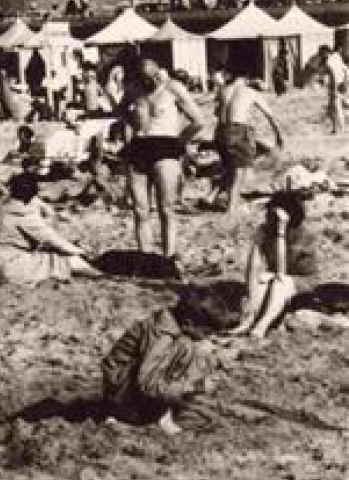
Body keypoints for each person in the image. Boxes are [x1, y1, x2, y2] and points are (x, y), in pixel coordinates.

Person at [100, 285, 237, 434]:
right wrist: (195, 387)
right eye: (206, 332)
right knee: (184, 347)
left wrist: (212, 365)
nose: (208, 337)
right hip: (123, 393)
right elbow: (147, 384)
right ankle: (133, 418)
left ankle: (160, 413)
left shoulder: (175, 327)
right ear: (189, 323)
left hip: (135, 387)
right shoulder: (162, 336)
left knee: (188, 349)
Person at [121, 56, 203, 258]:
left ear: (159, 72)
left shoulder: (173, 88)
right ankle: (146, 258)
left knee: (166, 208)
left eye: (155, 76)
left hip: (166, 146)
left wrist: (179, 142)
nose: (152, 82)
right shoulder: (134, 90)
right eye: (146, 78)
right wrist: (135, 124)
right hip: (140, 146)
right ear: (139, 77)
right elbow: (121, 110)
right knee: (140, 210)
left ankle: (168, 257)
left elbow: (198, 121)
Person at [0, 173, 99, 285]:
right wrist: (81, 252)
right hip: (6, 270)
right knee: (64, 259)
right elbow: (54, 240)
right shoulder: (23, 214)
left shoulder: (2, 209)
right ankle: (98, 274)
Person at [232, 188, 320, 339]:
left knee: (280, 282)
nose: (270, 218)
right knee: (261, 278)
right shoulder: (266, 229)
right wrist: (257, 242)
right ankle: (249, 320)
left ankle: (263, 324)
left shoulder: (304, 236)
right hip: (278, 278)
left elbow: (282, 272)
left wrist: (281, 232)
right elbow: (252, 270)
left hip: (302, 281)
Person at [211, 65, 285, 213]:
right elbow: (270, 115)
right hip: (238, 130)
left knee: (230, 167)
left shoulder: (224, 90)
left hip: (220, 131)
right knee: (240, 170)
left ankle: (212, 196)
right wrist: (279, 136)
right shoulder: (250, 92)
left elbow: (216, 112)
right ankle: (231, 209)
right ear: (246, 78)